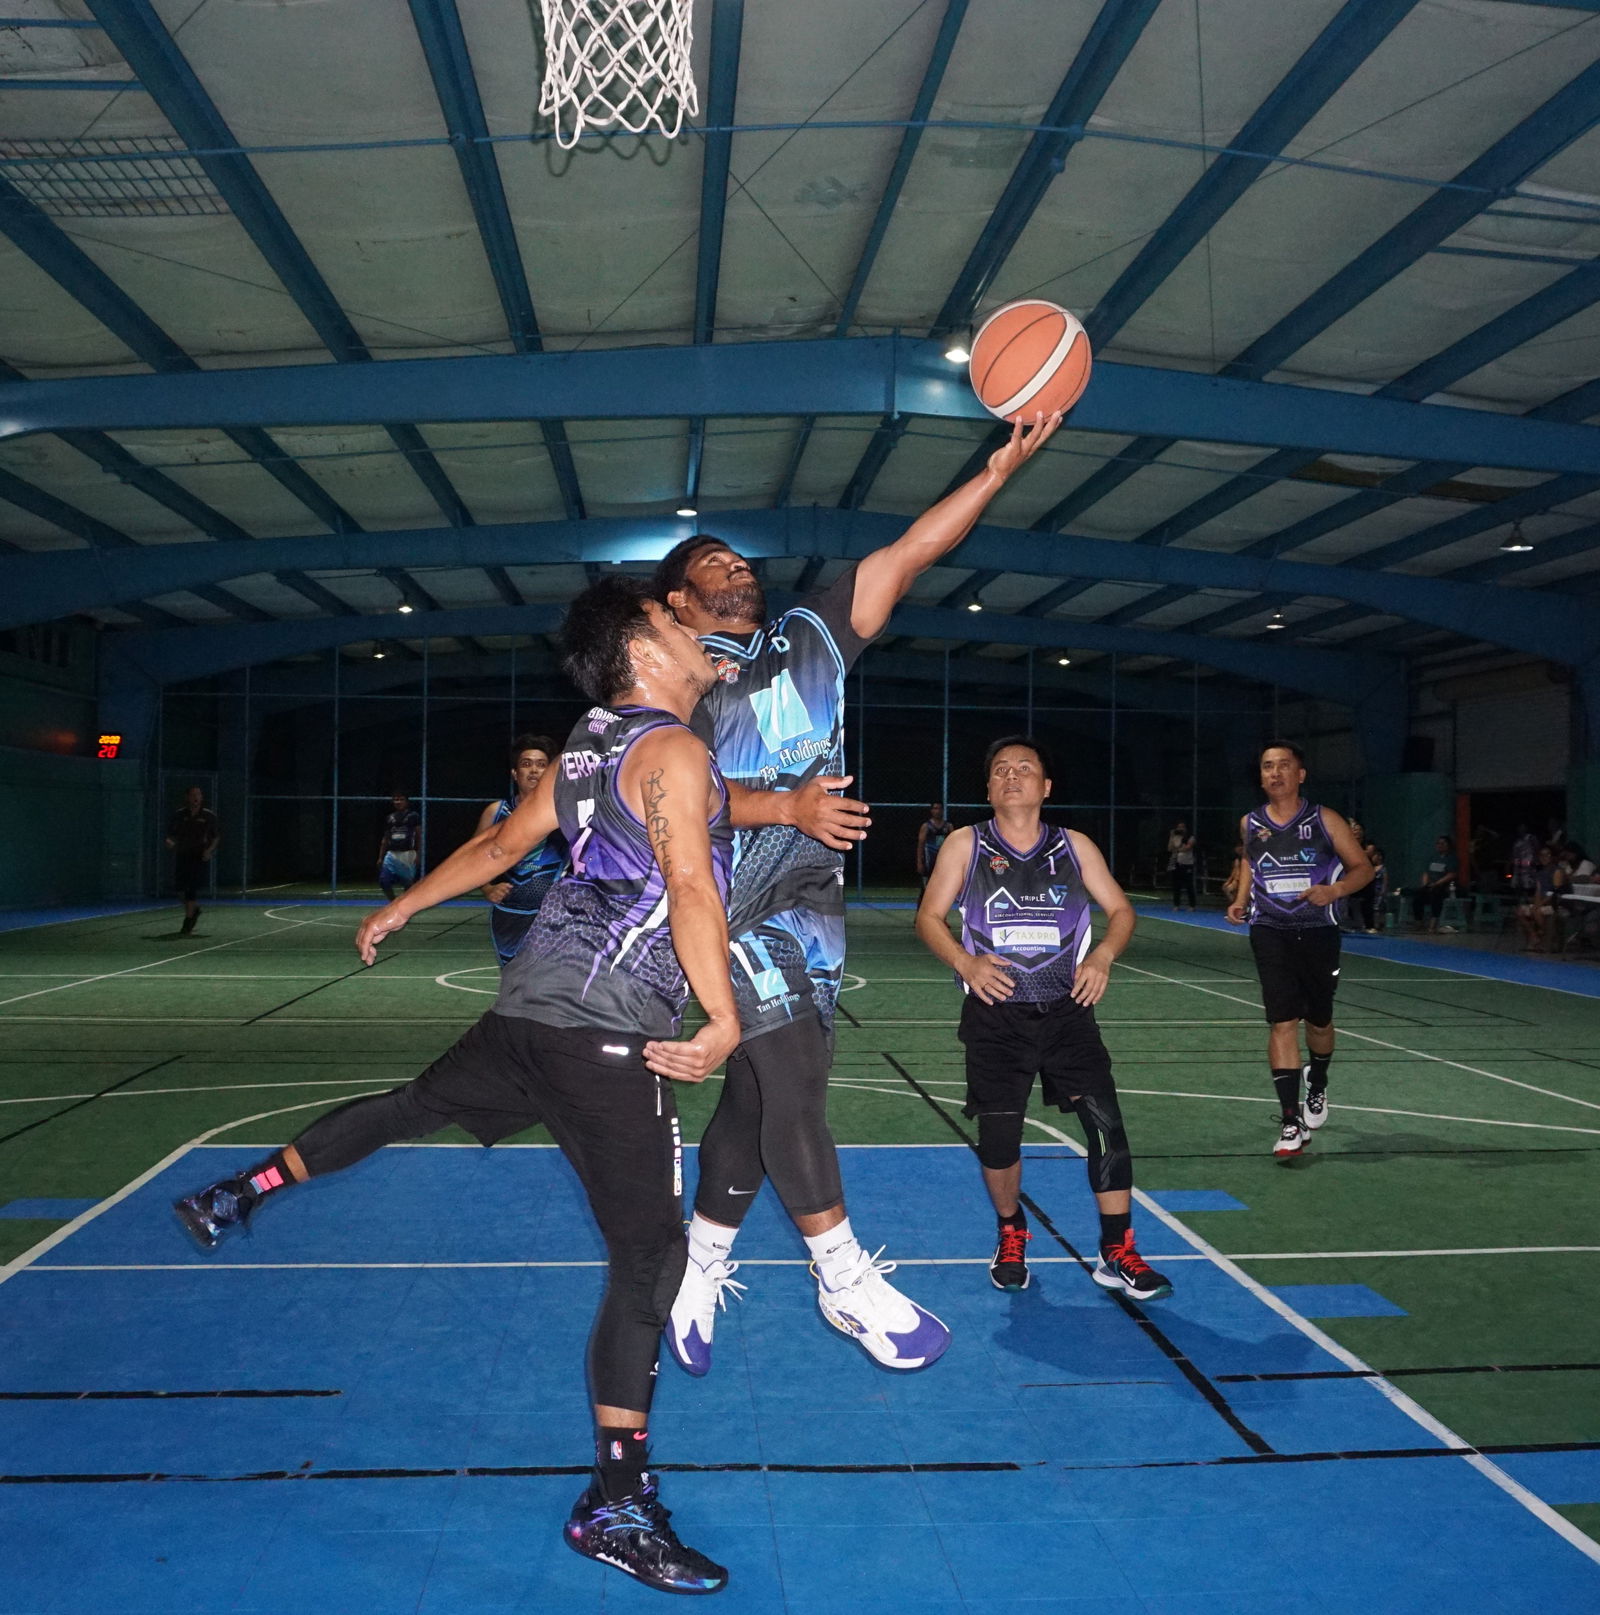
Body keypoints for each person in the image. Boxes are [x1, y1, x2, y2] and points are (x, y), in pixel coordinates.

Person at [173, 578, 739, 1596]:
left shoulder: (589, 743)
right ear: (642, 649)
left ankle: (242, 1189)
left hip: (523, 1017)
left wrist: (403, 908)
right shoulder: (671, 750)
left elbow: (497, 847)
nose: (693, 625)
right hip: (605, 1037)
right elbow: (691, 885)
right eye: (670, 617)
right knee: (652, 1259)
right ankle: (615, 1500)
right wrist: (724, 1015)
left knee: (410, 1106)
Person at [654, 409, 1063, 1377]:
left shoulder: (809, 637)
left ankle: (697, 1262)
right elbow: (660, 800)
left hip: (809, 915)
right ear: (674, 600)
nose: (739, 568)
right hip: (719, 912)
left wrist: (997, 471)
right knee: (790, 1078)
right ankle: (841, 1277)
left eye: (741, 559)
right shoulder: (665, 690)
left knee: (755, 1109)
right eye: (714, 563)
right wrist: (782, 805)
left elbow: (913, 548)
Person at [916, 736, 1171, 1301]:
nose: (1012, 776)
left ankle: (1116, 1249)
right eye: (1001, 770)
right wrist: (964, 960)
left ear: (1046, 786)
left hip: (1067, 1012)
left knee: (1107, 1127)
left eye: (1024, 768)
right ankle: (1011, 1231)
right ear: (988, 789)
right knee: (1000, 1137)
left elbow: (1122, 910)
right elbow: (929, 917)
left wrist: (1103, 955)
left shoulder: (1074, 846)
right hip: (994, 1015)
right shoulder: (966, 844)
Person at [1226, 740, 1373, 1160]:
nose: (1275, 773)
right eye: (1267, 766)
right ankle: (1291, 1121)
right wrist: (1240, 899)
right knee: (1281, 1020)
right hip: (1269, 928)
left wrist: (1336, 889)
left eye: (1284, 766)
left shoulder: (1325, 820)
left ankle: (1319, 1082)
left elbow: (1363, 868)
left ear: (1300, 774)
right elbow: (1251, 864)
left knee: (1319, 1020)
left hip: (1318, 932)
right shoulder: (1250, 823)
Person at [474, 734, 568, 965]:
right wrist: (487, 888)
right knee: (513, 984)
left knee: (551, 987)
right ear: (515, 774)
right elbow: (474, 859)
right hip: (510, 915)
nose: (534, 770)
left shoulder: (566, 813)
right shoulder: (496, 813)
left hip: (554, 916)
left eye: (541, 764)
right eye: (526, 764)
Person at [165, 784, 219, 936]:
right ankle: (194, 910)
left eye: (199, 794)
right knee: (179, 890)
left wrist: (208, 851)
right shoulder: (179, 815)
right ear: (187, 797)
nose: (196, 797)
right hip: (182, 855)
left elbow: (215, 837)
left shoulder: (208, 816)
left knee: (191, 890)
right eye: (193, 794)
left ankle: (187, 923)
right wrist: (169, 842)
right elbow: (170, 835)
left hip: (198, 856)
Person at [377, 791, 421, 901]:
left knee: (408, 884)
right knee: (383, 880)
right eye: (396, 799)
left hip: (407, 854)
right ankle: (392, 903)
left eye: (401, 799)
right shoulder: (390, 817)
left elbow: (419, 835)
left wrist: (418, 853)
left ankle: (404, 906)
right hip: (392, 854)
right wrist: (380, 857)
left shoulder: (413, 816)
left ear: (406, 801)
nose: (398, 802)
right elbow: (386, 838)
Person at [1410, 836, 1456, 933]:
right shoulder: (1433, 858)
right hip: (1430, 885)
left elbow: (1451, 874)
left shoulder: (1451, 859)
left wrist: (1437, 883)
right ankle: (1418, 922)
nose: (1440, 845)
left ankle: (1433, 923)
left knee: (1436, 896)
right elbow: (1426, 872)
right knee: (1417, 896)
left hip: (1443, 887)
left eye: (1443, 843)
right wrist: (1425, 884)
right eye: (1438, 843)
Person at [916, 802, 955, 892]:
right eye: (935, 808)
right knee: (926, 888)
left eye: (939, 808)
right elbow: (920, 845)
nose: (937, 811)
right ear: (931, 811)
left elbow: (953, 844)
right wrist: (919, 862)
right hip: (929, 859)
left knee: (942, 886)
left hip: (943, 859)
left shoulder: (948, 826)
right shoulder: (926, 826)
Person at [1355, 844, 1388, 934]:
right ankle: (1366, 925)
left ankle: (1378, 925)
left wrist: (1383, 891)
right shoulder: (1371, 867)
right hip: (1371, 889)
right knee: (1369, 908)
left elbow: (1385, 881)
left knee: (1378, 909)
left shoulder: (1383, 869)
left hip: (1378, 891)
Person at [1166, 820, 1197, 909]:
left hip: (1187, 863)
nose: (1180, 829)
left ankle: (1192, 905)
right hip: (1176, 863)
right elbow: (1169, 848)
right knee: (1176, 885)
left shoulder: (1191, 838)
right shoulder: (1175, 837)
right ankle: (1176, 905)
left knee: (1189, 885)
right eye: (1179, 827)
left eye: (1182, 827)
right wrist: (1172, 836)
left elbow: (1187, 848)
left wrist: (1177, 848)